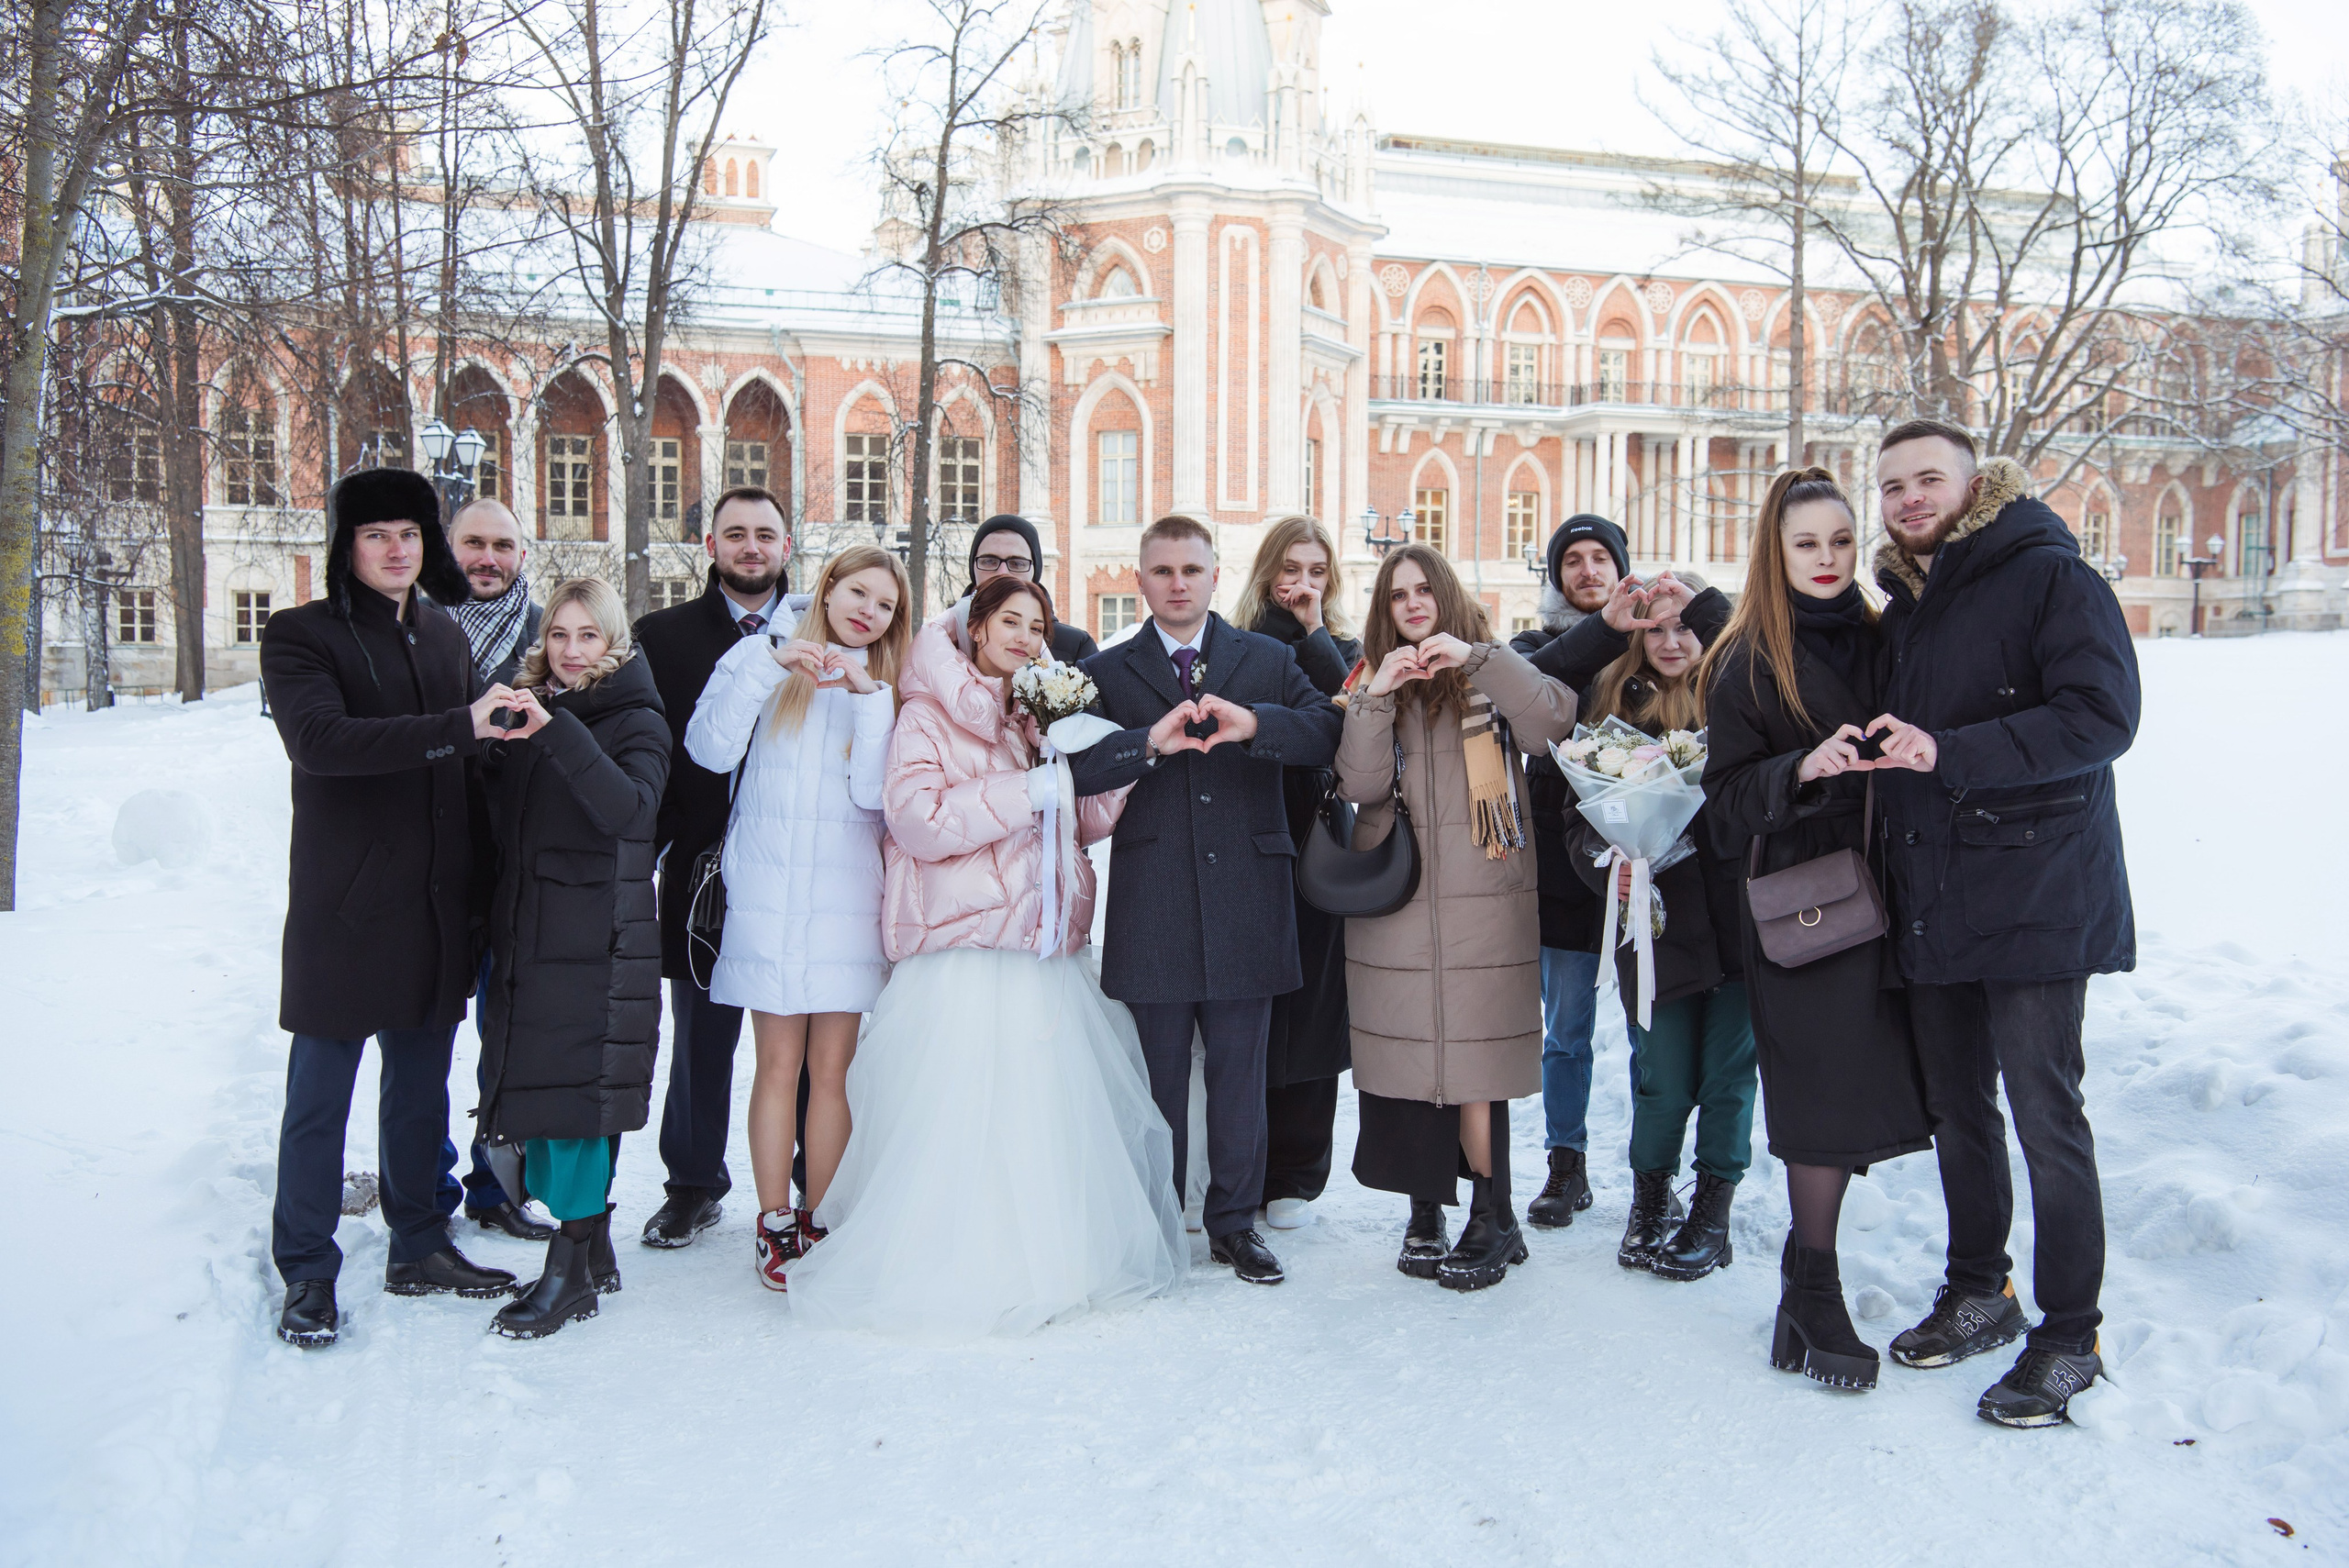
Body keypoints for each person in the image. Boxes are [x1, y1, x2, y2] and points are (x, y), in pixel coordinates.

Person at [790, 576, 1183, 1336]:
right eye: (1010, 620)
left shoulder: (1034, 713)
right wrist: (1028, 787)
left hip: (1039, 951)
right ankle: (950, 1264)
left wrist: (1115, 760)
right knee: (960, 1119)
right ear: (975, 627)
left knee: (1041, 1118)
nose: (1025, 637)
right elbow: (918, 821)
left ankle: (1056, 1260)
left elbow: (1080, 818)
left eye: (1038, 626)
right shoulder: (926, 715)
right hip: (964, 953)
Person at [1866, 418, 2141, 1429]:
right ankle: (1981, 1288)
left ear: (1975, 484)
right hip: (1937, 896)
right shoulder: (1907, 607)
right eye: (1891, 483)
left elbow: (2102, 717)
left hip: (2036, 893)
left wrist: (1947, 752)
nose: (1907, 497)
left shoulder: (2050, 576)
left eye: (1926, 478)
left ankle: (2071, 1334)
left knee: (2043, 1113)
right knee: (1958, 1108)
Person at [257, 467, 520, 1347]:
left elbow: (469, 765)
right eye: (377, 534)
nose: (397, 549)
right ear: (347, 544)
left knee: (420, 1092)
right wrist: (462, 726)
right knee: (319, 1099)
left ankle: (417, 1242)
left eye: (410, 533)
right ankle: (305, 1265)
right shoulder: (300, 635)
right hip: (347, 906)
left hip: (436, 905)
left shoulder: (444, 637)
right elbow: (322, 745)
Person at [1699, 465, 1933, 1393]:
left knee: (1876, 1088)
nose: (1827, 558)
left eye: (1840, 540)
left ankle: (1810, 1284)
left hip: (1899, 893)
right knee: (1820, 1104)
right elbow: (1720, 807)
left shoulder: (1889, 639)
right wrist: (1801, 768)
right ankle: (1816, 1283)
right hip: (1806, 904)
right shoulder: (1745, 659)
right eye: (1806, 543)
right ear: (1775, 550)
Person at [1066, 514, 1344, 1287]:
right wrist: (1144, 745)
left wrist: (1256, 723)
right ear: (1141, 579)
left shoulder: (1267, 655)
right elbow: (1078, 768)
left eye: (1192, 568)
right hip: (1153, 900)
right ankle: (1156, 1221)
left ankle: (1233, 1222)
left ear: (1217, 575)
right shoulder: (1110, 669)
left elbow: (1327, 730)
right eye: (1162, 570)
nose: (1178, 582)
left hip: (1250, 895)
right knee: (1156, 1079)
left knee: (1238, 1075)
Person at [1338, 544, 1577, 1291]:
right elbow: (1360, 782)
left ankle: (1492, 1214)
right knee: (1411, 1055)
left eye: (1424, 590)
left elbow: (1551, 726)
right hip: (1397, 897)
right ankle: (1425, 1209)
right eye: (1398, 594)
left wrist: (1476, 658)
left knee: (1475, 1063)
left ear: (1446, 594)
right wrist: (1378, 693)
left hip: (1487, 898)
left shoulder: (1496, 665)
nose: (1413, 604)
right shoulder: (1370, 680)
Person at [685, 544, 908, 1289]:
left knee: (832, 1070)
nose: (866, 610)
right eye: (857, 592)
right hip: (771, 897)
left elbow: (879, 796)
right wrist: (766, 665)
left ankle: (823, 1215)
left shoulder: (884, 686)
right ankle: (774, 1220)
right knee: (777, 1065)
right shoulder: (764, 656)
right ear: (828, 587)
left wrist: (872, 699)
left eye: (883, 605)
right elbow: (709, 750)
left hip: (846, 900)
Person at [472, 578, 672, 1337]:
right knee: (549, 1102)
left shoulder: (636, 717)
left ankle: (570, 1268)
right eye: (559, 634)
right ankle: (592, 1248)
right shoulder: (527, 705)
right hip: (532, 932)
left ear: (614, 641)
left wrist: (552, 730)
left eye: (588, 635)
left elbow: (631, 812)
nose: (571, 650)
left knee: (580, 1107)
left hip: (598, 937)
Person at [1565, 601, 1754, 1284]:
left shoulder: (1740, 696)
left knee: (1730, 1074)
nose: (1673, 641)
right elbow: (1580, 822)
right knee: (1663, 1074)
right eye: (1657, 628)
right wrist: (1609, 869)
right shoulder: (1609, 713)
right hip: (1657, 928)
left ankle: (1712, 1208)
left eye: (1687, 625)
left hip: (1739, 923)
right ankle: (1650, 1201)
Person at [631, 486, 797, 1247]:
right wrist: (661, 845)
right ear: (711, 547)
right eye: (736, 534)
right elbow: (651, 746)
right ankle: (693, 1181)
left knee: (798, 1026)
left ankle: (808, 1171)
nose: (752, 547)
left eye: (766, 534)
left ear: (788, 546)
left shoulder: (825, 629)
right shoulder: (662, 636)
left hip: (800, 867)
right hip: (702, 866)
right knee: (701, 1029)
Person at [1230, 516, 1359, 1231]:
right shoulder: (1237, 641)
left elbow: (1356, 718)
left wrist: (1312, 633)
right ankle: (1244, 1159)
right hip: (1248, 830)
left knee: (1313, 1000)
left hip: (1315, 832)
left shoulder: (1340, 648)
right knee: (1252, 1003)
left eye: (1316, 570)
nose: (1301, 582)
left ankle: (1300, 1172)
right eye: (1290, 568)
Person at [437, 495, 552, 1241]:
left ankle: (496, 1185)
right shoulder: (416, 632)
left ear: (521, 552)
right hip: (434, 866)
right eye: (473, 543)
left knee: (506, 1037)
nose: (487, 557)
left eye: (501, 545)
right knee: (424, 1045)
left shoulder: (550, 634)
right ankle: (423, 1184)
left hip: (517, 870)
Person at [959, 514, 1097, 663]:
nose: (1003, 573)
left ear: (1035, 571)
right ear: (973, 568)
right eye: (989, 561)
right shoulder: (941, 640)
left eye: (1017, 563)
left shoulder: (1074, 647)